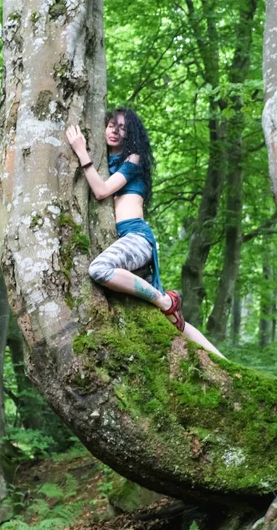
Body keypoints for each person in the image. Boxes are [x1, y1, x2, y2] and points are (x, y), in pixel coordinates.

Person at [66, 107, 225, 358]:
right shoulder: (107, 160)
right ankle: (224, 361)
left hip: (137, 238)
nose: (116, 132)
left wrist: (81, 151)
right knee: (175, 323)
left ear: (131, 135)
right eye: (111, 126)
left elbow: (102, 191)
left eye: (123, 128)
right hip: (128, 243)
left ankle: (165, 301)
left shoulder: (133, 159)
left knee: (99, 269)